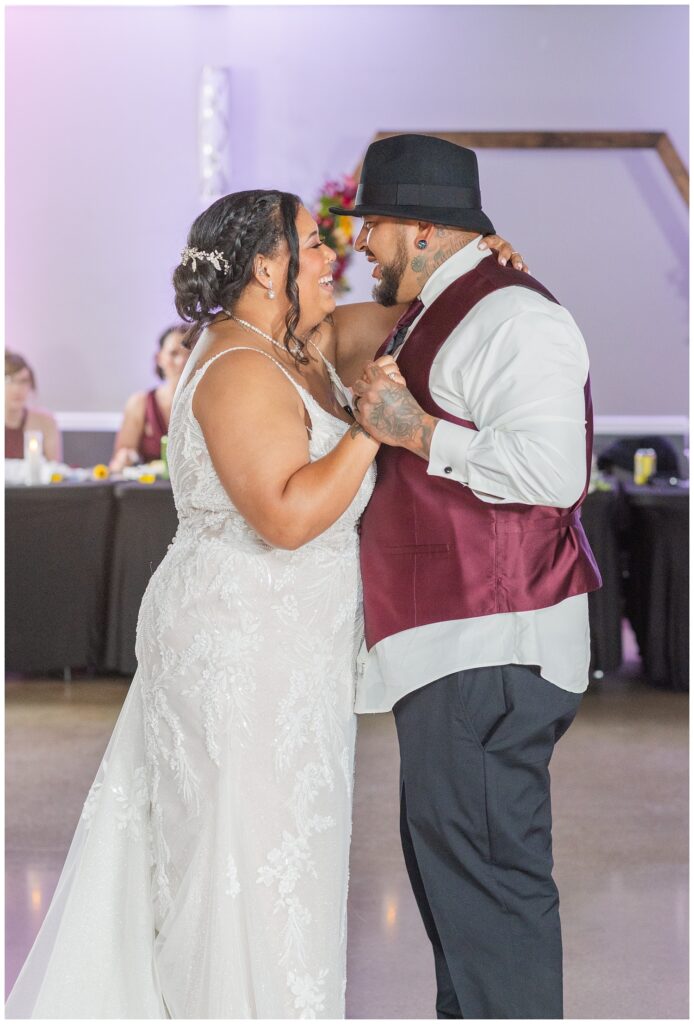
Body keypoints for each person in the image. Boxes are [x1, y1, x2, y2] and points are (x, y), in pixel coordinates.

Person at [6, 185, 520, 1019]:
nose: (333, 258)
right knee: (236, 861)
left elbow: (419, 318)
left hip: (295, 654)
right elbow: (284, 517)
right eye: (315, 245)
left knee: (288, 857)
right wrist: (370, 431)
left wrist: (483, 268)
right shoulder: (238, 366)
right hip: (237, 647)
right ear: (267, 264)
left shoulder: (304, 345)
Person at [330, 133, 602, 1020]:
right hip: (454, 647)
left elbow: (554, 474)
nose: (361, 243)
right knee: (460, 896)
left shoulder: (517, 317)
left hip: (494, 644)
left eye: (372, 224)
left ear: (420, 229)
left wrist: (415, 432)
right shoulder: (436, 305)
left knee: (490, 895)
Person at [110, 325, 189, 471]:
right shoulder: (140, 403)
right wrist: (125, 458)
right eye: (173, 354)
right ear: (159, 358)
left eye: (190, 354)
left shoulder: (210, 404)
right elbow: (118, 463)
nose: (182, 362)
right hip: (150, 490)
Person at [5, 351, 62, 461]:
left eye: (23, 381)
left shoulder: (45, 423)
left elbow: (54, 470)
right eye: (9, 381)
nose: (17, 389)